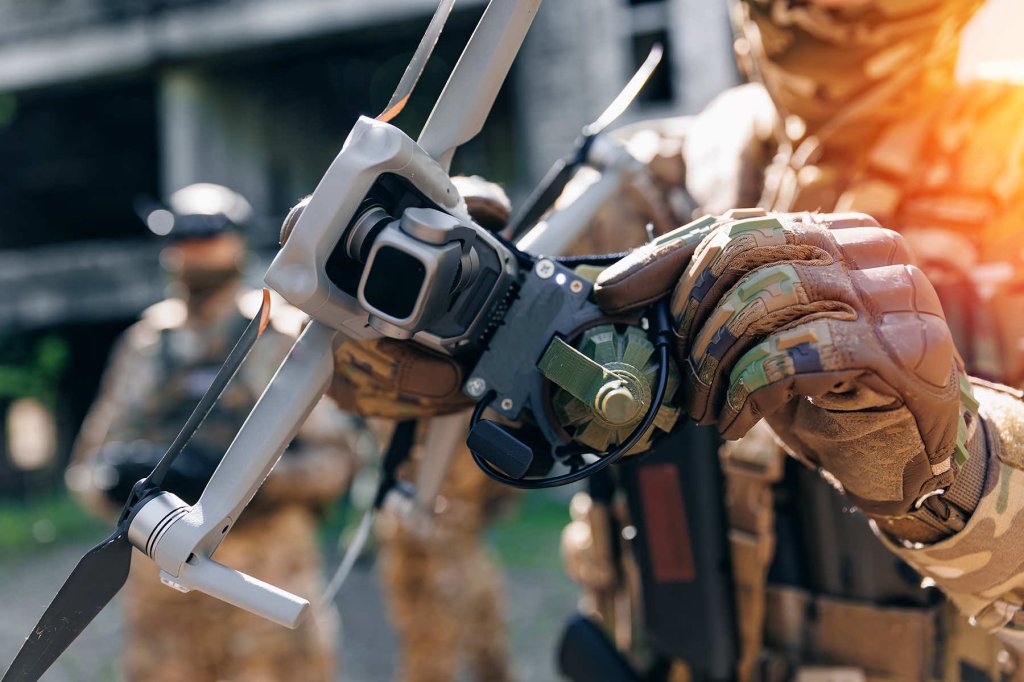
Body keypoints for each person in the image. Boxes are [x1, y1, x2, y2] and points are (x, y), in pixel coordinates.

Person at [324, 0, 1024, 678]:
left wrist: (956, 464)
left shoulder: (1008, 166)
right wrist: (386, 311)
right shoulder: (675, 175)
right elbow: (413, 382)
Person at [67, 183, 356, 682]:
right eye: (180, 237)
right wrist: (122, 480)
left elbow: (337, 462)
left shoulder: (277, 337)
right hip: (163, 598)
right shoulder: (144, 345)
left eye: (207, 237)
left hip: (263, 582)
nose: (192, 250)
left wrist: (227, 482)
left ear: (238, 242)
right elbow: (85, 470)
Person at [324, 175, 517, 682]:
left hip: (463, 527)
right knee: (431, 662)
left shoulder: (501, 320)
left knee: (491, 659)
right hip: (418, 526)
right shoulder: (383, 334)